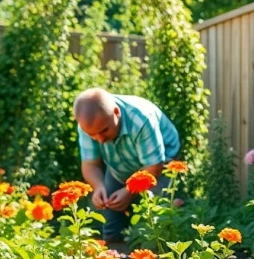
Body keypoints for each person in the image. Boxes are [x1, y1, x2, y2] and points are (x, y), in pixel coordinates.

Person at [74, 88, 180, 242]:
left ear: (116, 112)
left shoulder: (141, 118)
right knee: (110, 224)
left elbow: (154, 167)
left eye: (104, 130)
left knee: (151, 222)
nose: (100, 139)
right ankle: (114, 257)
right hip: (120, 163)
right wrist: (99, 187)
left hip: (160, 165)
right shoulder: (88, 124)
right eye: (92, 135)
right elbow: (90, 164)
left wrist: (129, 191)